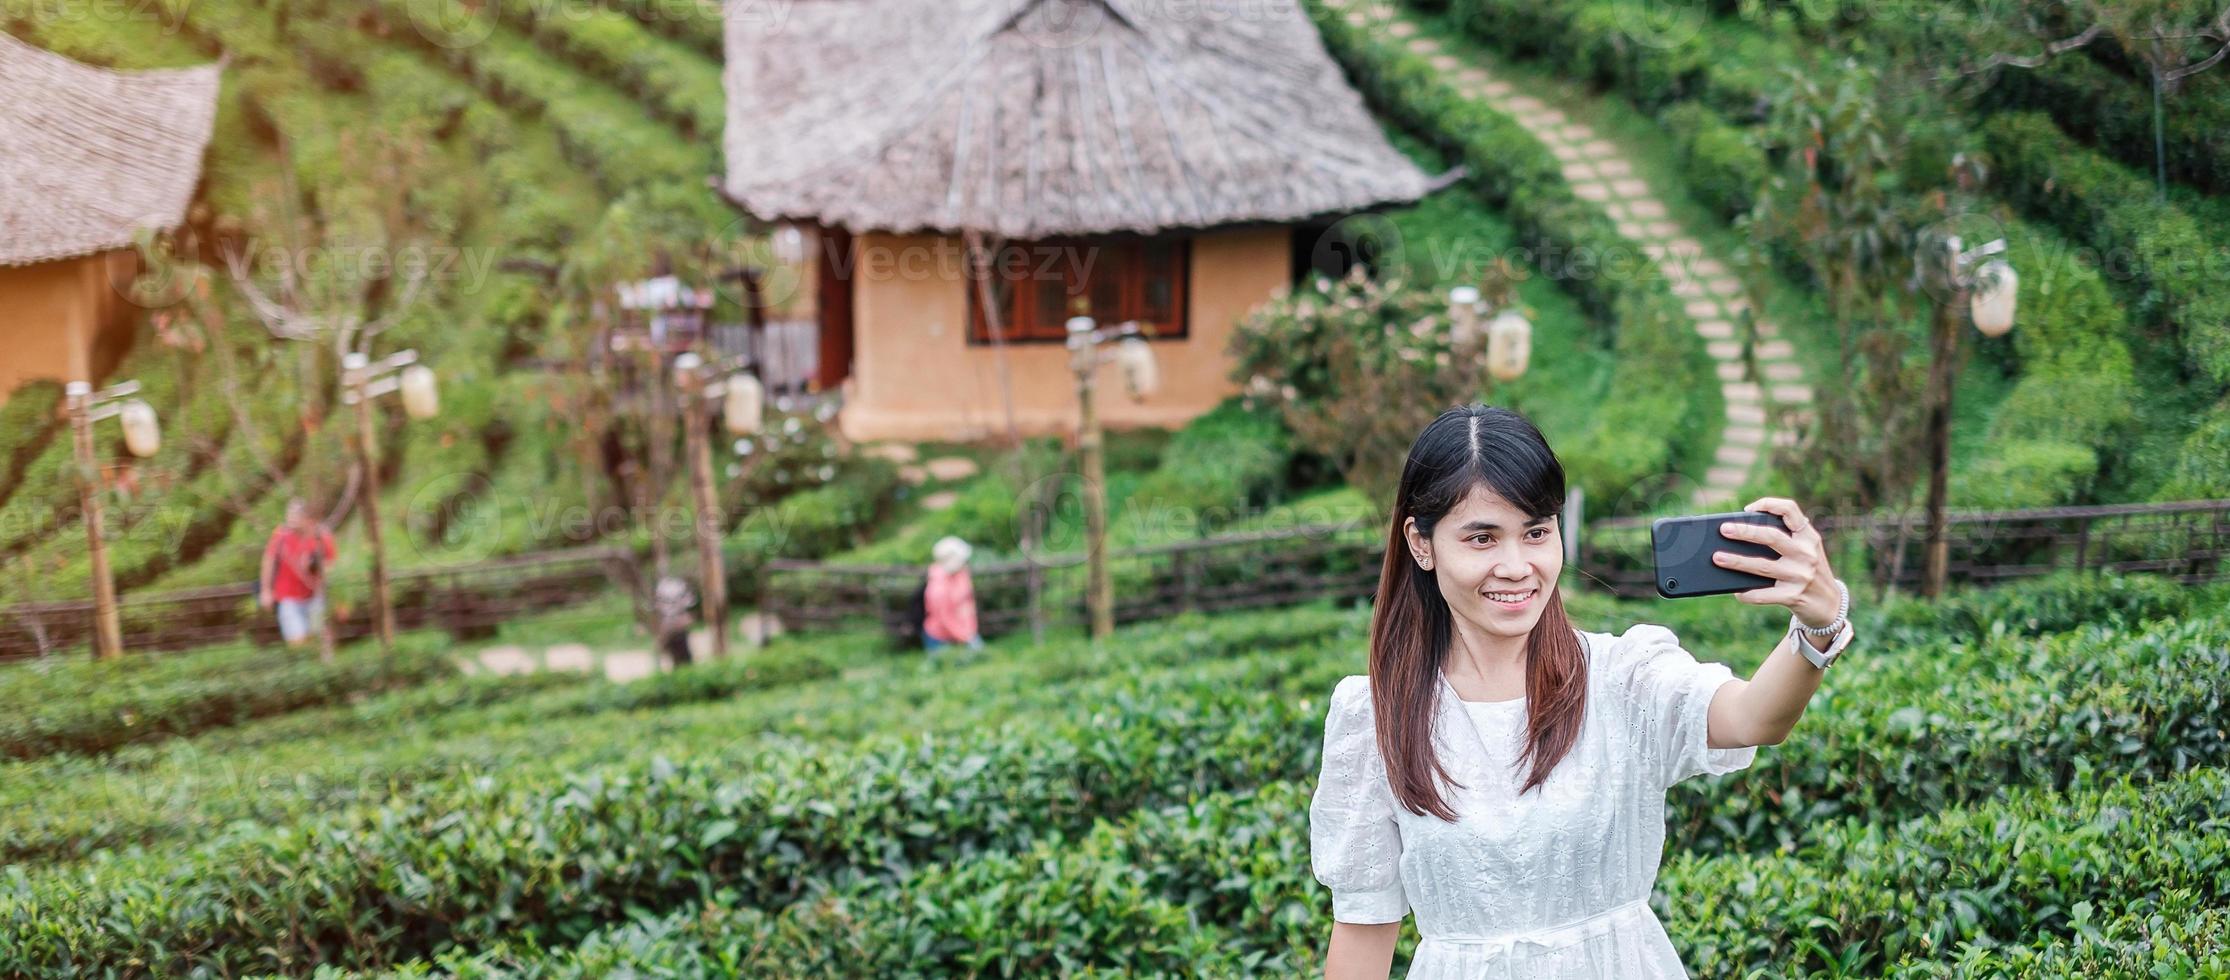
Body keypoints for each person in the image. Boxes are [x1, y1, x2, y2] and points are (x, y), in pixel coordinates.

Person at [1311, 404, 1855, 979]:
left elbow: (1753, 719)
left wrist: (1817, 625)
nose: (1517, 566)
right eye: (1481, 538)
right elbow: (1362, 930)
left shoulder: (1623, 676)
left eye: (1536, 532)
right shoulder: (1375, 715)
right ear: (1422, 545)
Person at [259, 499, 336, 649]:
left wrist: (314, 566)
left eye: (295, 515)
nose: (290, 519)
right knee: (297, 639)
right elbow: (268, 560)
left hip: (315, 596)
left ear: (307, 518)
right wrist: (266, 590)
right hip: (288, 597)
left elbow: (331, 563)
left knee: (317, 636)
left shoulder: (321, 536)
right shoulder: (281, 536)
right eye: (289, 515)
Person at [921, 535, 985, 656]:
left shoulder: (962, 574)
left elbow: (967, 604)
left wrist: (971, 632)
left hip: (963, 633)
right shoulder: (937, 588)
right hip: (940, 638)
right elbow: (944, 617)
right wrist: (966, 637)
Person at [654, 576, 696, 669]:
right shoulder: (666, 589)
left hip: (678, 630)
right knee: (676, 655)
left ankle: (685, 670)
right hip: (672, 629)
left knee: (684, 654)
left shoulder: (672, 588)